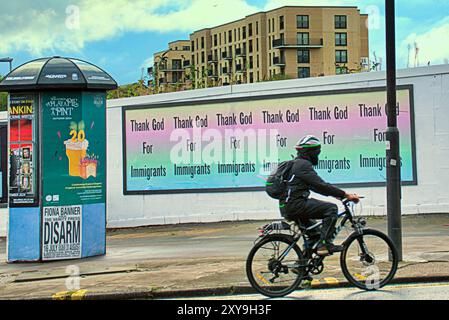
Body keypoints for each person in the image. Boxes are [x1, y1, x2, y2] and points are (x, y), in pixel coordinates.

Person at [279, 135, 360, 256]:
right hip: (296, 205)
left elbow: (315, 187)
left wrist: (337, 196)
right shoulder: (303, 165)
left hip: (288, 206)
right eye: (317, 152)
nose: (317, 155)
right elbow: (320, 184)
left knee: (314, 234)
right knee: (331, 209)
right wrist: (345, 194)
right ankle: (324, 245)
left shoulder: (297, 164)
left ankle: (302, 269)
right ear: (310, 152)